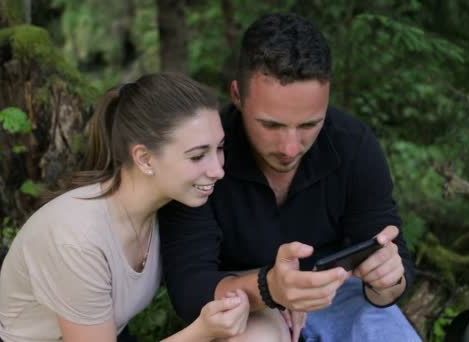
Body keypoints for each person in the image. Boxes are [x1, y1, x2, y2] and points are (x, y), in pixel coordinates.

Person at [158, 13, 421, 341]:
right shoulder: (203, 155)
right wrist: (270, 289)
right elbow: (189, 288)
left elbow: (394, 261)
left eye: (310, 124)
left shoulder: (353, 144)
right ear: (238, 95)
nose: (290, 147)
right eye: (271, 125)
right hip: (246, 302)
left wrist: (387, 280)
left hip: (340, 294)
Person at [0, 73, 250, 342]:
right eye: (197, 156)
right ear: (145, 159)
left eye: (219, 148)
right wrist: (202, 332)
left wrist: (274, 294)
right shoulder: (76, 237)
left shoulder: (166, 206)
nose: (218, 170)